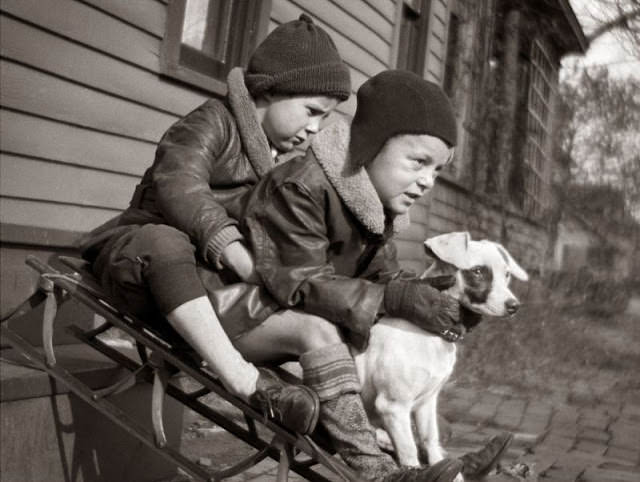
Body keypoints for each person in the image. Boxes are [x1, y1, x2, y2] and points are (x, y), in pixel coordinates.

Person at [224, 70, 513, 481]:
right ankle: (386, 471)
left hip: (295, 323)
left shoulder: (371, 205)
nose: (428, 181)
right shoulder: (302, 187)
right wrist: (393, 300)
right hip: (244, 315)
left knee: (399, 347)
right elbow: (300, 282)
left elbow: (382, 275)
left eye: (438, 170)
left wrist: (436, 297)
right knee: (356, 340)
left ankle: (435, 461)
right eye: (418, 162)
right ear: (371, 147)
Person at [79, 14, 351, 435]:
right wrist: (239, 257)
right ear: (271, 89)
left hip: (201, 292)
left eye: (325, 120)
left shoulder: (284, 166)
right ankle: (243, 381)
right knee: (165, 241)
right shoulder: (210, 122)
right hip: (138, 259)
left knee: (315, 318)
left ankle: (360, 447)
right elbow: (180, 186)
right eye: (312, 111)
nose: (314, 129)